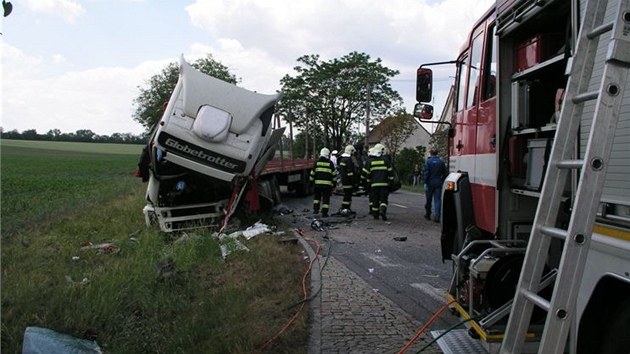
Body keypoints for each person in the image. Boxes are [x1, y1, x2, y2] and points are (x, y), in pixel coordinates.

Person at [362, 143, 394, 221]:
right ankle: (382, 210)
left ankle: (375, 215)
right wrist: (391, 181)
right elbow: (390, 172)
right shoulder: (386, 160)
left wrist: (367, 183)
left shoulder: (370, 162)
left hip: (374, 185)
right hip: (384, 184)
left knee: (375, 200)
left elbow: (367, 174)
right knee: (383, 199)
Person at [310, 147, 337, 217]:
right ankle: (324, 213)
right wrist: (334, 184)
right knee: (326, 199)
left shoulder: (316, 162)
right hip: (327, 186)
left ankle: (316, 210)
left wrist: (311, 183)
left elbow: (312, 174)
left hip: (317, 185)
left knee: (316, 198)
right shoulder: (330, 163)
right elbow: (334, 174)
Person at [424, 148, 447, 222]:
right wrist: (442, 180)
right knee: (437, 200)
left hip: (430, 182)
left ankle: (428, 214)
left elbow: (426, 173)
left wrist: (425, 182)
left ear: (431, 153)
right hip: (438, 182)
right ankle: (437, 216)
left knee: (429, 199)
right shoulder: (441, 162)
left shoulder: (428, 161)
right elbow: (445, 173)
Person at [337, 145, 357, 212]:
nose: (353, 153)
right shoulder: (348, 160)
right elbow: (350, 172)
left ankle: (345, 207)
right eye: (352, 152)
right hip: (348, 180)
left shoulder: (342, 159)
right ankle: (346, 208)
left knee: (346, 194)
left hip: (344, 179)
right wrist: (353, 181)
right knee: (348, 195)